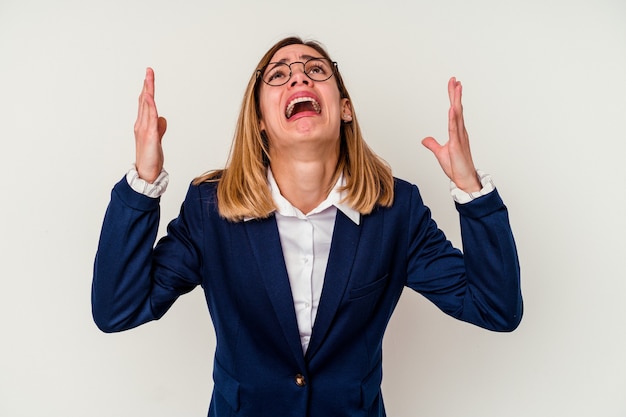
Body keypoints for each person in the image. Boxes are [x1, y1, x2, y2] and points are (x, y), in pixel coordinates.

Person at [92, 36, 523, 417]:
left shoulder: (396, 208)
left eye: (315, 70)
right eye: (278, 75)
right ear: (260, 119)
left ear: (346, 108)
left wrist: (471, 190)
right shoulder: (211, 208)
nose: (299, 79)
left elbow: (495, 309)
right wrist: (144, 182)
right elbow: (118, 310)